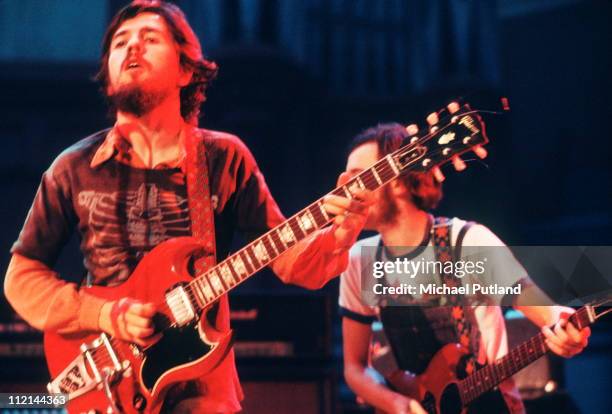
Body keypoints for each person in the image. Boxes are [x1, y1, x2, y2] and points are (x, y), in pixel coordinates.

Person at [3, 2, 373, 413]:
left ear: (185, 71)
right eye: (120, 43)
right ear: (107, 78)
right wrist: (106, 314)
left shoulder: (224, 157)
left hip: (202, 385)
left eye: (150, 39)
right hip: (105, 377)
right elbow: (21, 279)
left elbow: (289, 261)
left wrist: (339, 236)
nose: (132, 48)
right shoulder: (72, 166)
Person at [338, 122, 591, 414]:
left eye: (358, 179)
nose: (346, 192)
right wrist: (397, 404)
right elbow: (354, 368)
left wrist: (564, 326)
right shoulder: (359, 259)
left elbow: (546, 312)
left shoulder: (468, 241)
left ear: (395, 180)